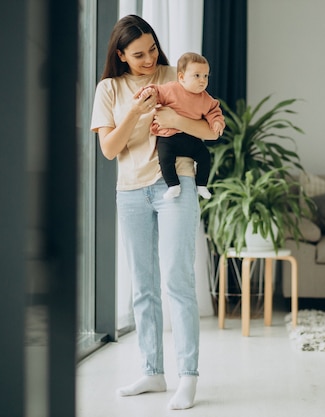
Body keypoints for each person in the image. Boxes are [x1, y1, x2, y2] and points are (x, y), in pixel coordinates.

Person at [90, 14, 220, 410]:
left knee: (178, 282)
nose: (149, 59)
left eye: (152, 49)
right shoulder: (109, 89)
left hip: (175, 183)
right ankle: (152, 371)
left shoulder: (178, 75)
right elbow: (110, 150)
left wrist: (175, 118)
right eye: (138, 54)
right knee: (143, 289)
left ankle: (188, 377)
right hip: (129, 191)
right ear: (121, 55)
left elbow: (212, 130)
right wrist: (136, 111)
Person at [138, 52, 225, 200]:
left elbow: (214, 111)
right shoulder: (171, 89)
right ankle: (173, 185)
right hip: (169, 137)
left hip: (190, 137)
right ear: (182, 77)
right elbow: (156, 91)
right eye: (197, 76)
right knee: (165, 157)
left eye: (205, 76)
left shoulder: (206, 99)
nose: (202, 81)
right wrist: (149, 91)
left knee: (204, 156)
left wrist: (217, 122)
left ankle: (202, 185)